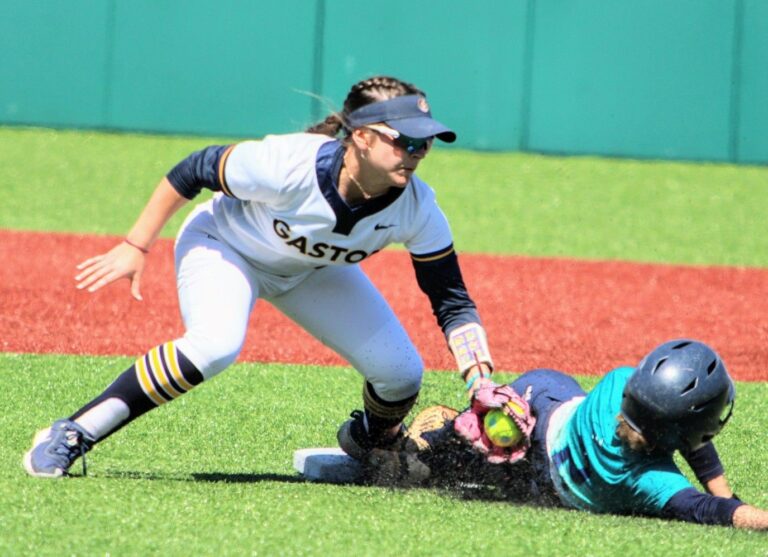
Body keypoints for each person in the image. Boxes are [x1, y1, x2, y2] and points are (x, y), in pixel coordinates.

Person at [23, 75, 495, 478]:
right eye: (403, 139)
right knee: (215, 345)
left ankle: (368, 448)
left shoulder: (418, 207)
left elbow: (450, 299)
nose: (415, 152)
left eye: (424, 141)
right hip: (225, 247)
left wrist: (480, 378)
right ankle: (73, 431)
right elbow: (193, 170)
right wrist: (136, 245)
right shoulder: (288, 164)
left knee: (400, 372)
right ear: (362, 137)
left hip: (310, 271)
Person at [396, 339, 768, 530]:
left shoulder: (621, 380)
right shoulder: (651, 482)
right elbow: (708, 509)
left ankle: (436, 435)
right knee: (476, 472)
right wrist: (731, 500)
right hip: (537, 476)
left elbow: (674, 417)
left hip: (543, 398)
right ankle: (439, 440)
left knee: (476, 443)